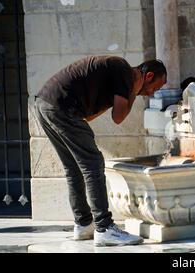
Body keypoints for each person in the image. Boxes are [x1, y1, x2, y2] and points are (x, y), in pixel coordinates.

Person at [34, 56, 167, 247]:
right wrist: (133, 92)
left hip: (45, 104)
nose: (152, 94)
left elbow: (90, 116)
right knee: (93, 163)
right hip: (61, 105)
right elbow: (119, 117)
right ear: (148, 76)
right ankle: (104, 228)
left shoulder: (118, 75)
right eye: (156, 87)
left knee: (73, 167)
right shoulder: (124, 72)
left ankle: (83, 224)